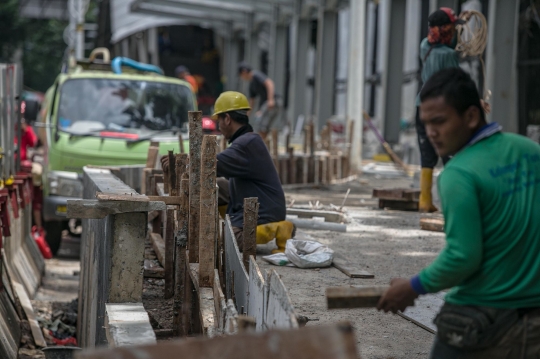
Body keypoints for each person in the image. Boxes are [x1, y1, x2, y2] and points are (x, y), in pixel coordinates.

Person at [377, 68, 540, 358]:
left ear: (471, 116)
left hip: (481, 315)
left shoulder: (458, 174)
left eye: (439, 121)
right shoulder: (530, 151)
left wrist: (412, 287)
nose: (430, 133)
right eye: (426, 124)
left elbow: (463, 257)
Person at [161, 91, 295, 252]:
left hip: (264, 212)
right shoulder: (248, 140)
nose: (218, 126)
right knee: (213, 184)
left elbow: (210, 164)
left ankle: (279, 229)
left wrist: (182, 162)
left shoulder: (246, 144)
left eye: (219, 120)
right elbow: (213, 169)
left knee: (220, 241)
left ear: (227, 119)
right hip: (255, 199)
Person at [415, 7, 466, 212]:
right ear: (446, 30)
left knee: (427, 155)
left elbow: (443, 41)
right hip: (443, 110)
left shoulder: (424, 46)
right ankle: (453, 202)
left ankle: (425, 200)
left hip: (422, 107)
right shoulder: (449, 56)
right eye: (452, 28)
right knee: (450, 155)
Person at [237, 62, 282, 140]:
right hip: (266, 104)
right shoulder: (251, 84)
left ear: (244, 72)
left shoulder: (256, 75)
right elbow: (252, 101)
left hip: (273, 101)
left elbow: (269, 83)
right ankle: (262, 142)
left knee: (261, 125)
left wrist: (270, 100)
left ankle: (259, 143)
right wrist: (246, 116)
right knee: (261, 124)